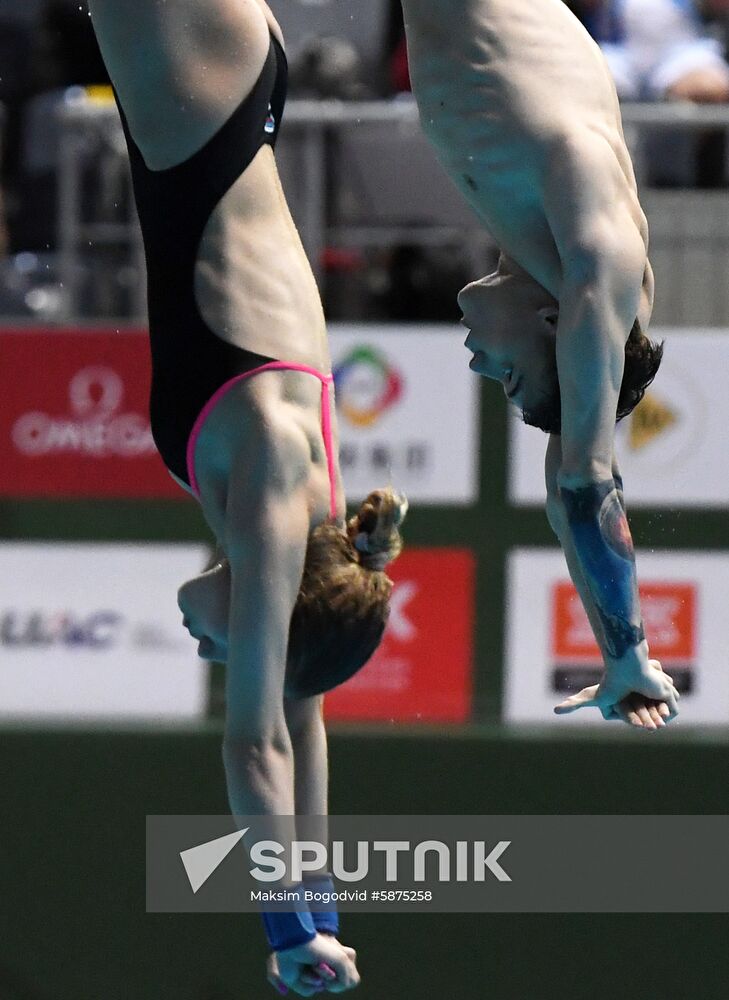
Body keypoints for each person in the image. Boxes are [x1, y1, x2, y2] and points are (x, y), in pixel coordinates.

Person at [88, 0, 407, 993]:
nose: (212, 647)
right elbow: (259, 734)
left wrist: (322, 914)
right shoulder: (272, 466)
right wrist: (280, 930)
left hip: (218, 97)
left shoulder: (298, 513)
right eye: (236, 647)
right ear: (272, 594)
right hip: (206, 100)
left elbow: (301, 721)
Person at [400, 0, 680, 730]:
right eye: (509, 375)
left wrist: (614, 653)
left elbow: (565, 502)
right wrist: (628, 652)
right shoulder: (597, 257)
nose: (477, 365)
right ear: (558, 332)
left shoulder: (540, 244)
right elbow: (585, 482)